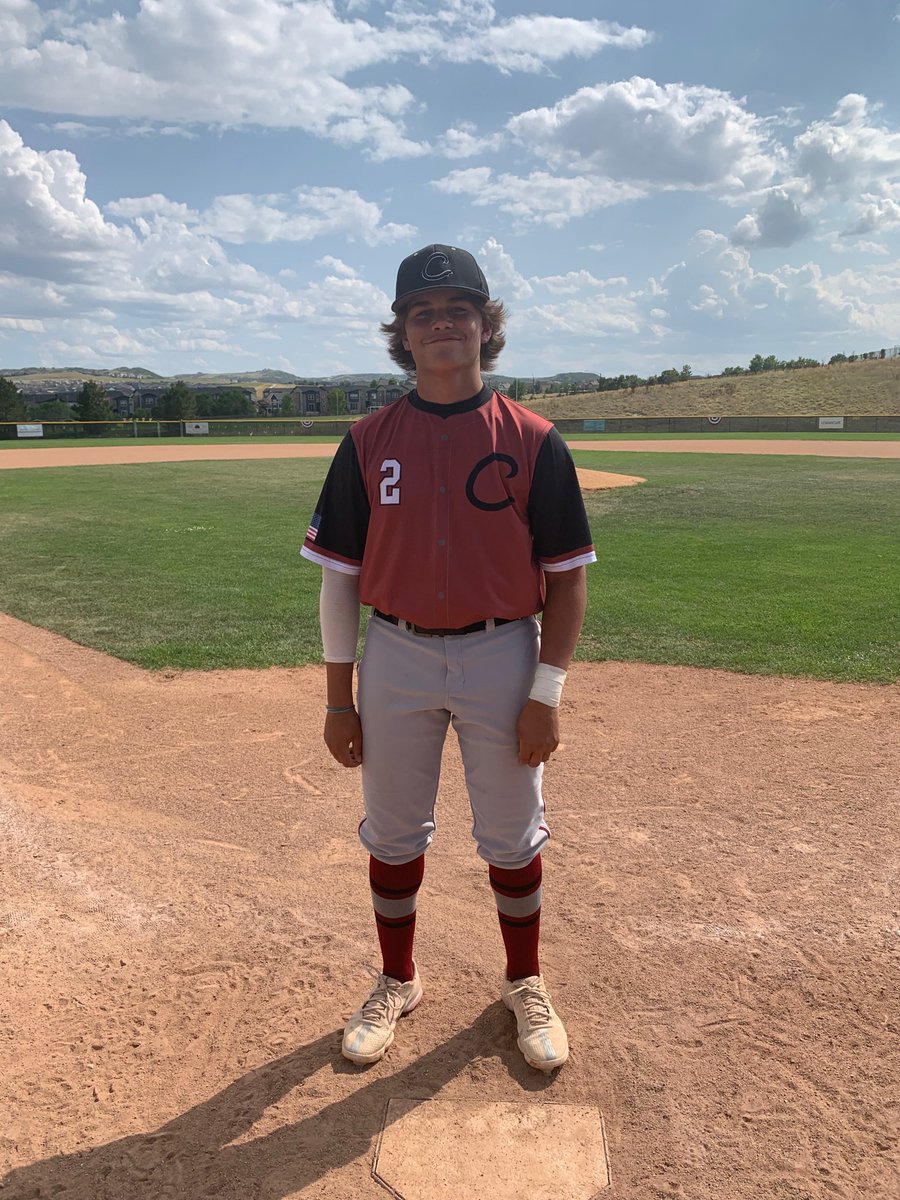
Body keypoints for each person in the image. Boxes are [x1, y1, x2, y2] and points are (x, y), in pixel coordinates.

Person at [301, 244, 596, 1072]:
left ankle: (524, 981)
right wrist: (337, 697)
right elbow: (339, 580)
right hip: (392, 654)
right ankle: (397, 980)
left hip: (503, 652)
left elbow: (567, 580)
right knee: (393, 832)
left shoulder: (534, 440)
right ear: (402, 332)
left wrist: (548, 689)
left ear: (485, 327)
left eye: (459, 309)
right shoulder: (367, 441)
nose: (441, 323)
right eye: (423, 312)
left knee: (511, 833)